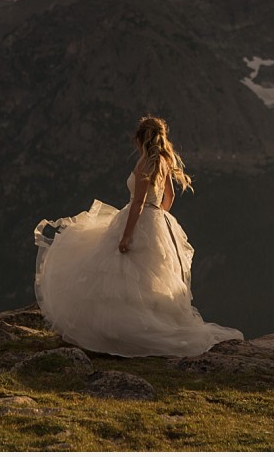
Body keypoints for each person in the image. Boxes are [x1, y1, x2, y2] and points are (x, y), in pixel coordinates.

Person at [33, 115, 243, 357]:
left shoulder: (145, 164)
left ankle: (123, 332)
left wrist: (126, 235)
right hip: (158, 221)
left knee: (122, 274)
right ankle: (151, 322)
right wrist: (159, 219)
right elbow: (170, 198)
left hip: (139, 219)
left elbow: (139, 203)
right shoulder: (164, 161)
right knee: (152, 277)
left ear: (140, 138)